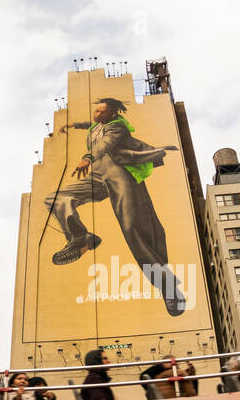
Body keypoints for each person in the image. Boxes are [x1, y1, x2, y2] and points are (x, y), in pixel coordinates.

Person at [48, 98, 187, 316]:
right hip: (97, 175)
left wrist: (87, 157)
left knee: (134, 230)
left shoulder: (118, 127)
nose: (97, 115)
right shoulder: (97, 124)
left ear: (112, 115)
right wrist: (74, 125)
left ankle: (168, 288)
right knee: (56, 199)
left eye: (102, 113)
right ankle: (80, 237)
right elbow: (91, 125)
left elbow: (105, 145)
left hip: (121, 176)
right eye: (96, 110)